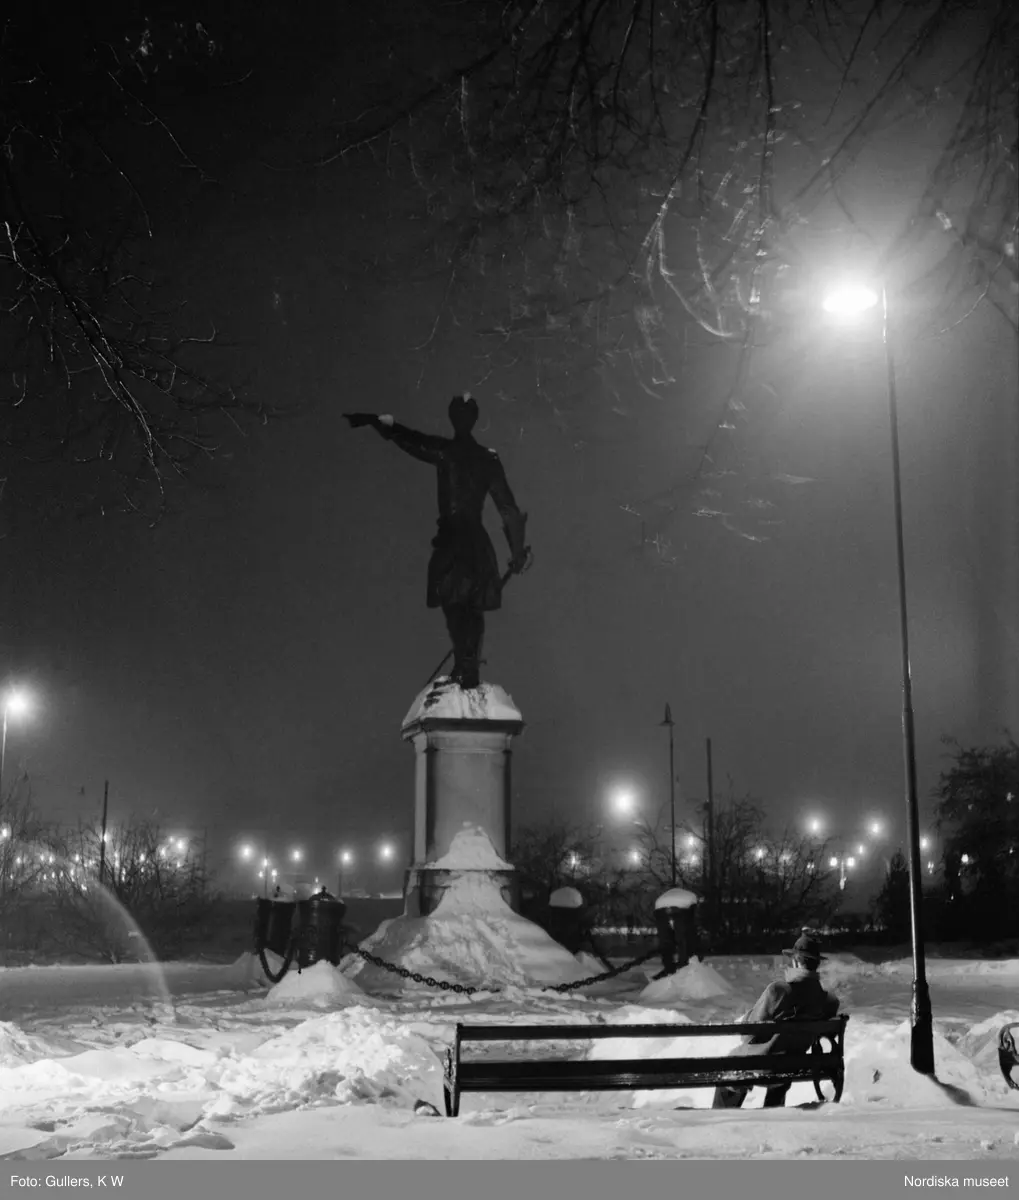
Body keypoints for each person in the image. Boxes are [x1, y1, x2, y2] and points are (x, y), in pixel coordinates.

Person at [344, 394, 530, 689]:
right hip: (476, 543)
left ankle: (466, 666)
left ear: (455, 419)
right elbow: (507, 509)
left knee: (456, 605)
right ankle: (466, 665)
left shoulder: (447, 452)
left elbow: (412, 441)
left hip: (453, 541)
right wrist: (517, 551)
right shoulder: (486, 459)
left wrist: (381, 425)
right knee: (470, 608)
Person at [711, 931, 840, 1110]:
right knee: (782, 1054)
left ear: (796, 961)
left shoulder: (778, 991)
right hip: (795, 1064)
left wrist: (748, 1016)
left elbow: (748, 1033)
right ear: (816, 964)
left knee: (734, 1061)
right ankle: (773, 1109)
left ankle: (722, 1114)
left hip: (767, 1065)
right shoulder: (828, 1000)